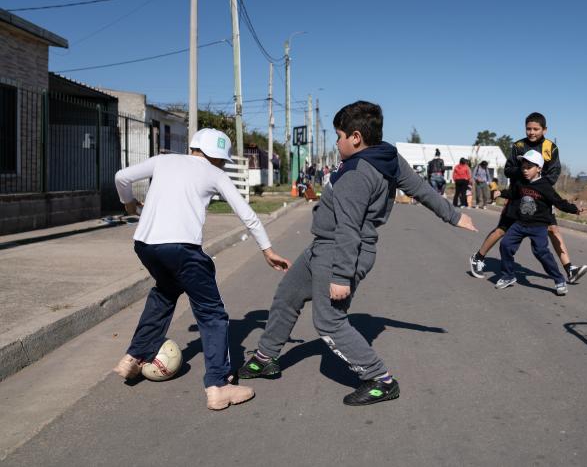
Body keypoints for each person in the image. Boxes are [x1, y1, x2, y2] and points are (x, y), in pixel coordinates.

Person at [238, 101, 477, 406]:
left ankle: (380, 379)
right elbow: (421, 189)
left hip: (339, 252)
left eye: (338, 136)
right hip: (322, 248)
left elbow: (349, 228)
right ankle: (265, 357)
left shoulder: (357, 173)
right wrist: (453, 215)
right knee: (288, 294)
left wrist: (340, 276)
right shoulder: (387, 155)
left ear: (355, 137)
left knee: (329, 322)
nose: (336, 143)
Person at [112, 128, 291, 411]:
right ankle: (219, 386)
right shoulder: (216, 174)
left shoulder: (163, 161)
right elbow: (247, 214)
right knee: (213, 314)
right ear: (220, 158)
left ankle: (134, 356)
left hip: (146, 245)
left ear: (194, 146)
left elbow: (121, 176)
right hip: (183, 250)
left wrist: (129, 203)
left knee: (165, 293)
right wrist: (267, 250)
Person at [469, 112, 587, 283]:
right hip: (518, 194)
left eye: (536, 129)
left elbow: (554, 172)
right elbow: (508, 169)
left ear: (544, 130)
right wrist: (524, 174)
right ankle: (478, 258)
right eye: (528, 129)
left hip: (541, 196)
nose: (532, 132)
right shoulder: (518, 146)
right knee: (502, 229)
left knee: (553, 229)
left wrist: (539, 185)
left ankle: (570, 269)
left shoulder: (551, 148)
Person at [494, 150, 581, 295]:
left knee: (541, 252)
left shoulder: (545, 186)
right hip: (520, 223)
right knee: (505, 245)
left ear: (539, 168)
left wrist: (574, 209)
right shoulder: (521, 182)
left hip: (539, 225)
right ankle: (508, 275)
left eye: (529, 167)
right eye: (523, 167)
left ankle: (559, 280)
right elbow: (513, 193)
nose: (525, 170)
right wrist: (501, 193)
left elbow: (558, 202)